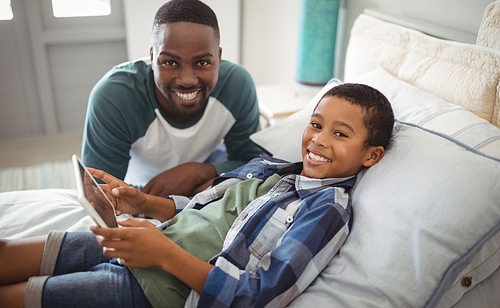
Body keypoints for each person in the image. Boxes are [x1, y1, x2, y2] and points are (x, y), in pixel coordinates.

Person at [0, 83, 395, 308]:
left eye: (340, 134)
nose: (318, 140)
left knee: (18, 298)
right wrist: (141, 202)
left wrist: (161, 253)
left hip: (153, 291)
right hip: (142, 244)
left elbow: (257, 296)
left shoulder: (326, 212)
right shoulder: (273, 169)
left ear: (372, 155)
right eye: (315, 124)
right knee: (7, 251)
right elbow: (201, 209)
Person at [82, 0, 263, 197]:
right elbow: (98, 194)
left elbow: (254, 162)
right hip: (135, 187)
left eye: (202, 62)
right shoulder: (114, 97)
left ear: (218, 58)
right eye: (170, 62)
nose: (187, 80)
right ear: (152, 57)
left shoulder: (237, 85)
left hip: (200, 177)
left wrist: (196, 171)